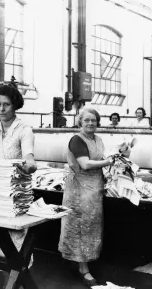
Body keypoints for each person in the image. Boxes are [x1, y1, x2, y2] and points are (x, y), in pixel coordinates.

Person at [0, 84, 37, 258]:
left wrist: (30, 164)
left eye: (6, 105)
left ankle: (13, 281)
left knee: (13, 247)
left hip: (14, 192)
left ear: (15, 105)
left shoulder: (24, 130)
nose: (1, 109)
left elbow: (29, 156)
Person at [58, 108, 114, 287]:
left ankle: (85, 261)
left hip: (95, 188)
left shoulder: (98, 140)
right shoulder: (77, 140)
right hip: (79, 189)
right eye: (87, 120)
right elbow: (85, 164)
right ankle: (83, 268)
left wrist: (121, 154)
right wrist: (107, 162)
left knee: (92, 225)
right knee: (80, 226)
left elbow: (101, 158)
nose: (90, 123)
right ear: (80, 122)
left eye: (94, 120)